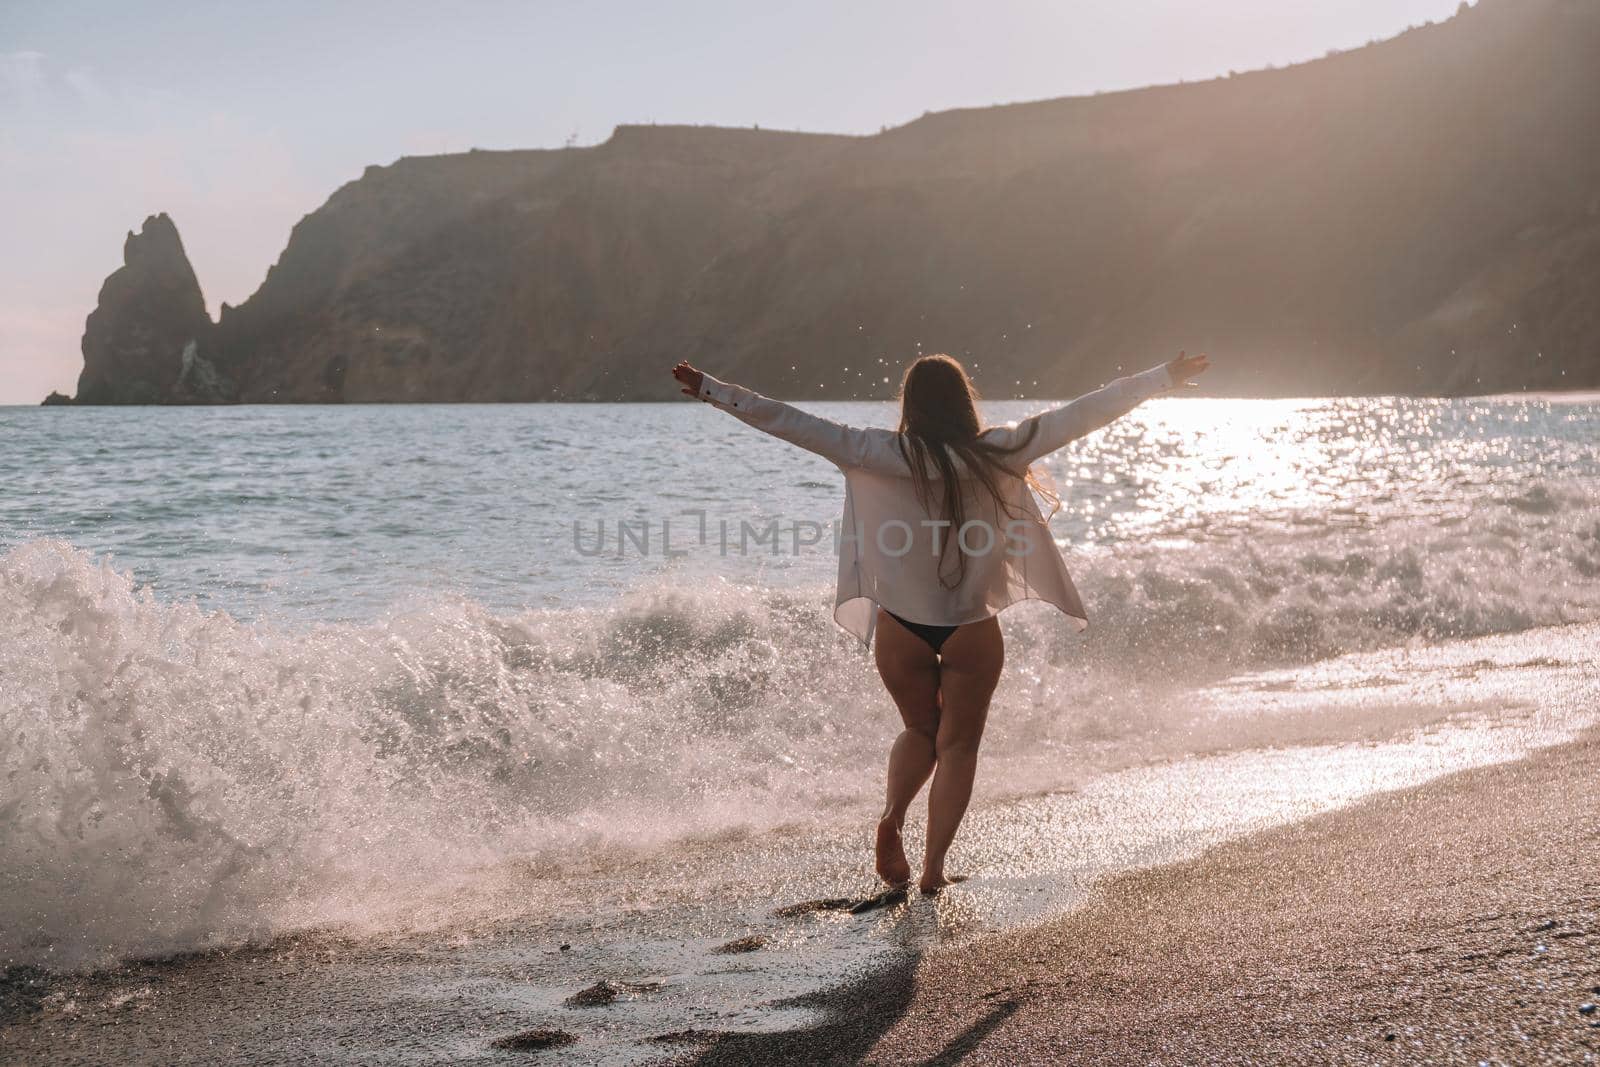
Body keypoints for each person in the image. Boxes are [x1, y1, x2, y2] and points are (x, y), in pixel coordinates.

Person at [671, 350, 1210, 893]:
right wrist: (1162, 377)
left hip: (901, 627)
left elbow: (788, 420)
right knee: (958, 747)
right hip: (971, 627)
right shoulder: (999, 451)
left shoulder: (872, 450)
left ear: (911, 405)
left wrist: (711, 389)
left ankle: (892, 817)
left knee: (918, 730)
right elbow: (1083, 413)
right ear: (963, 403)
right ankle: (932, 871)